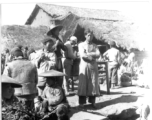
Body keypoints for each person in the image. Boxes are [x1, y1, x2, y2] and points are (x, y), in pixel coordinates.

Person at [77, 29, 100, 108]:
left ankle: (92, 102)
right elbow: (83, 55)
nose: (90, 37)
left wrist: (89, 54)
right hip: (84, 65)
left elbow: (98, 54)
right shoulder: (81, 45)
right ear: (85, 36)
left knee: (93, 82)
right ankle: (82, 103)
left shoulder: (95, 45)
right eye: (89, 35)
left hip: (93, 66)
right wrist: (92, 57)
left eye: (91, 35)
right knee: (83, 82)